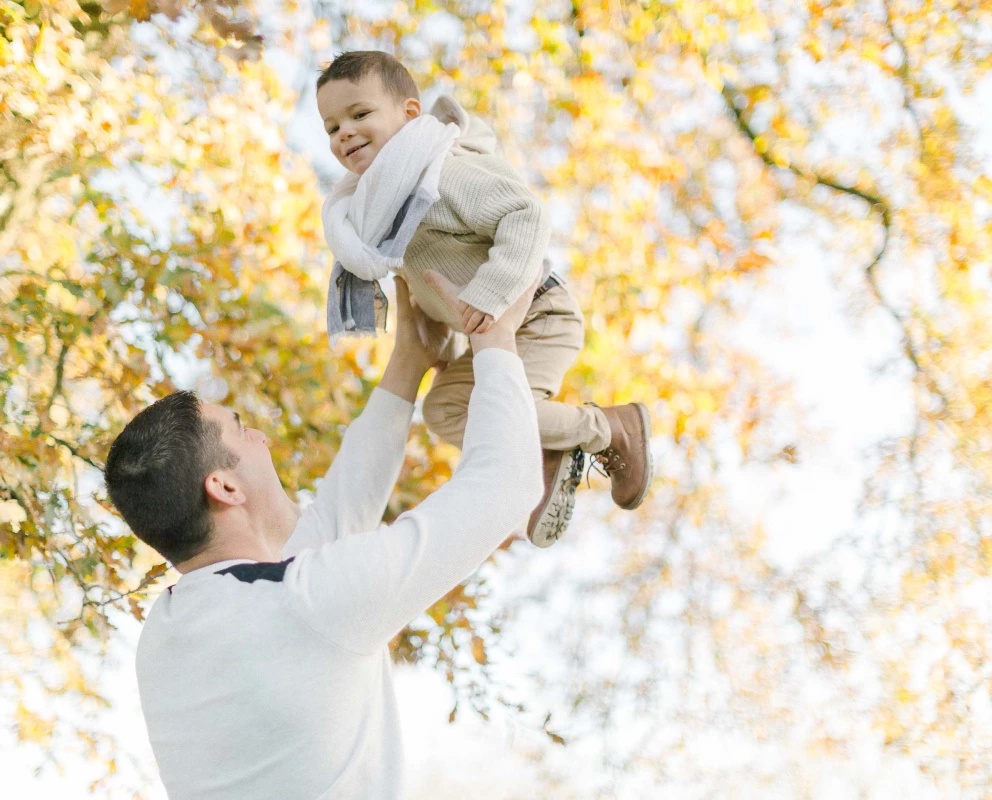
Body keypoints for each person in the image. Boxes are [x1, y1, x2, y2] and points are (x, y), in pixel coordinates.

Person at [105, 273, 542, 800]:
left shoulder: (170, 635)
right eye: (243, 431)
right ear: (223, 486)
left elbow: (326, 533)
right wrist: (495, 339)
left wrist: (408, 364)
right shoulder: (299, 604)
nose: (261, 437)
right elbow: (508, 485)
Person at [315, 50, 652, 547]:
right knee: (443, 412)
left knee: (504, 412)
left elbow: (525, 214)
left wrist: (493, 295)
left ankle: (611, 428)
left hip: (535, 313)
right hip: (484, 335)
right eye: (331, 126)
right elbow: (442, 277)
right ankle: (550, 449)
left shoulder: (439, 173)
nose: (344, 132)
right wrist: (442, 335)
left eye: (360, 114)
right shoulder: (378, 210)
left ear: (410, 115)